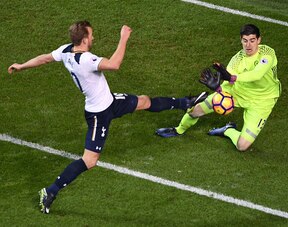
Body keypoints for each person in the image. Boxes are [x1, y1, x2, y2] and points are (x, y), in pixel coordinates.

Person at [8, 20, 208, 214]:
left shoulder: (66, 50)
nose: (93, 37)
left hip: (111, 101)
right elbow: (114, 64)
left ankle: (185, 103)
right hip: (98, 114)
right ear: (85, 39)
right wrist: (123, 38)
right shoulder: (85, 60)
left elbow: (44, 58)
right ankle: (50, 191)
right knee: (90, 160)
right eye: (92, 34)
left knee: (144, 101)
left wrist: (21, 65)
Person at [156, 24, 281, 152]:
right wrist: (218, 90)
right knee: (196, 110)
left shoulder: (267, 53)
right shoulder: (237, 60)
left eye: (252, 40)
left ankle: (228, 130)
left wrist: (232, 78)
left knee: (242, 146)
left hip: (262, 100)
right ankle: (178, 129)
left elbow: (257, 74)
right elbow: (227, 84)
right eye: (245, 41)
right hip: (237, 91)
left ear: (259, 40)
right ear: (241, 40)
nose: (248, 45)